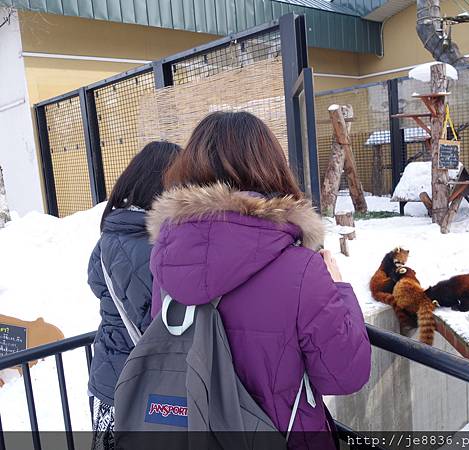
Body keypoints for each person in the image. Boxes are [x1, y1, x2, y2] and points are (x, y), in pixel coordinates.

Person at [146, 112, 371, 448]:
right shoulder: (301, 268)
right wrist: (339, 289)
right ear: (271, 168)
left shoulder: (168, 262)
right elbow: (345, 374)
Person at [87, 141, 182, 449]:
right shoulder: (151, 246)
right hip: (143, 392)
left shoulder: (109, 237)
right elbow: (160, 326)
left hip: (107, 381)